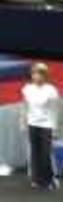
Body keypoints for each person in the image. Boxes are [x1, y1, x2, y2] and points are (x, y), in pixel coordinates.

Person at [22, 63, 60, 191]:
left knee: (45, 153)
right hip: (32, 124)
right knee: (34, 153)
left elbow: (55, 110)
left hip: (46, 125)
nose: (36, 76)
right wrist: (24, 122)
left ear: (44, 76)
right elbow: (25, 107)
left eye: (39, 74)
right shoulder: (27, 89)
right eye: (34, 74)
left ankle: (49, 180)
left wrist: (54, 128)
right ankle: (36, 179)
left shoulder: (51, 90)